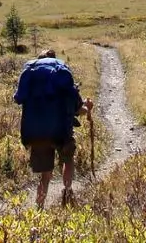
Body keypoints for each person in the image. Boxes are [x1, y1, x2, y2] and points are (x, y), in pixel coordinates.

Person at [13, 49, 93, 208]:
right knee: (67, 159)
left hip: (35, 133)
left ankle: (39, 209)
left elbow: (19, 99)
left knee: (45, 175)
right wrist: (87, 107)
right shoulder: (61, 77)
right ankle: (67, 192)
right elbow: (78, 110)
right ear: (54, 60)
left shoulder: (32, 79)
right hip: (61, 132)